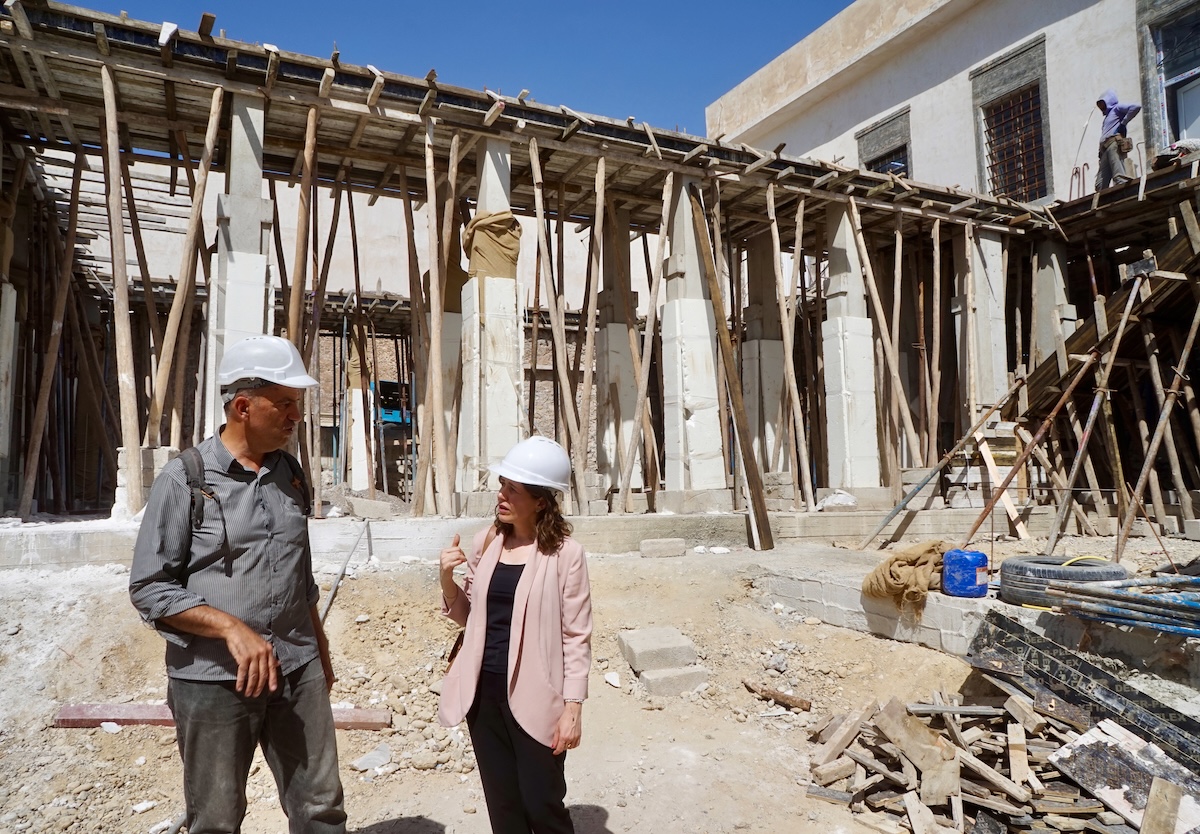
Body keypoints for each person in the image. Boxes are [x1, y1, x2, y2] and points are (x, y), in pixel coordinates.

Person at [129, 334, 346, 834]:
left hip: (296, 668)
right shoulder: (185, 479)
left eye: (297, 404)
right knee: (216, 819)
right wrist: (231, 628)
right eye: (285, 404)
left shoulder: (290, 473)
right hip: (213, 681)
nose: (296, 416)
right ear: (243, 407)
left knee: (321, 809)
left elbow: (301, 577)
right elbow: (150, 588)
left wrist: (319, 654)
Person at [437, 436, 593, 834]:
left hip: (537, 695)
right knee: (503, 807)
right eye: (502, 484)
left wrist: (573, 708)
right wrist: (447, 580)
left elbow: (576, 635)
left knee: (542, 803)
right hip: (483, 694)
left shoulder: (566, 554)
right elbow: (469, 617)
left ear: (541, 501)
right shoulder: (487, 542)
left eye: (513, 489)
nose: (501, 495)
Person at [1096, 89, 1142, 190]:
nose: (1101, 108)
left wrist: (1124, 122)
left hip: (1113, 144)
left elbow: (1136, 107)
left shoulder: (1117, 108)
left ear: (1108, 101)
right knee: (1099, 185)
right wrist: (1100, 150)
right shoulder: (1107, 118)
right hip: (1105, 149)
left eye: (1102, 104)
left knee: (1118, 176)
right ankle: (1103, 198)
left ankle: (1125, 192)